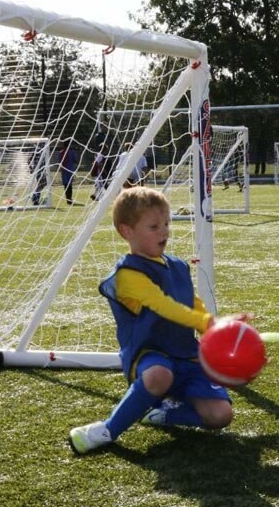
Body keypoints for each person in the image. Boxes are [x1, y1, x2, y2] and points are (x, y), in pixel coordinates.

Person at [68, 186, 250, 454]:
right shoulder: (127, 275)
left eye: (167, 223)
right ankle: (107, 430)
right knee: (158, 375)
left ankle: (162, 413)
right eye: (154, 226)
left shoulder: (177, 265)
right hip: (149, 355)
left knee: (220, 416)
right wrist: (206, 324)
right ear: (126, 231)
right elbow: (163, 305)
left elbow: (191, 303)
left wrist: (221, 329)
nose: (164, 231)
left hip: (187, 356)